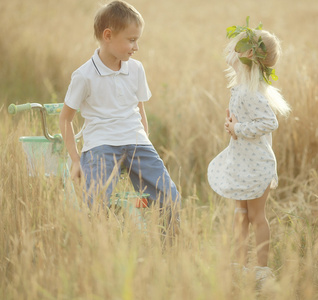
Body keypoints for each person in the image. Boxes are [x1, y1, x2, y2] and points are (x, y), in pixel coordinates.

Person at [59, 0, 180, 224]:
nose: (136, 47)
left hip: (136, 142)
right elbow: (65, 119)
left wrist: (145, 141)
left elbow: (139, 107)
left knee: (170, 197)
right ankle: (100, 250)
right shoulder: (84, 75)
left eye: (138, 40)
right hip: (100, 144)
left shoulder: (136, 68)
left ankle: (170, 252)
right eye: (132, 40)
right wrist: (76, 160)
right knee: (96, 204)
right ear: (108, 36)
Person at [207, 18, 290, 286]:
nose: (232, 48)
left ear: (250, 54)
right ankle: (240, 264)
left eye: (240, 45)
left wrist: (239, 128)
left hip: (257, 165)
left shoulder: (251, 93)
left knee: (255, 216)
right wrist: (233, 127)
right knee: (240, 215)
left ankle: (261, 270)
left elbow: (269, 123)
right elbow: (244, 124)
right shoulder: (241, 89)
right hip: (242, 161)